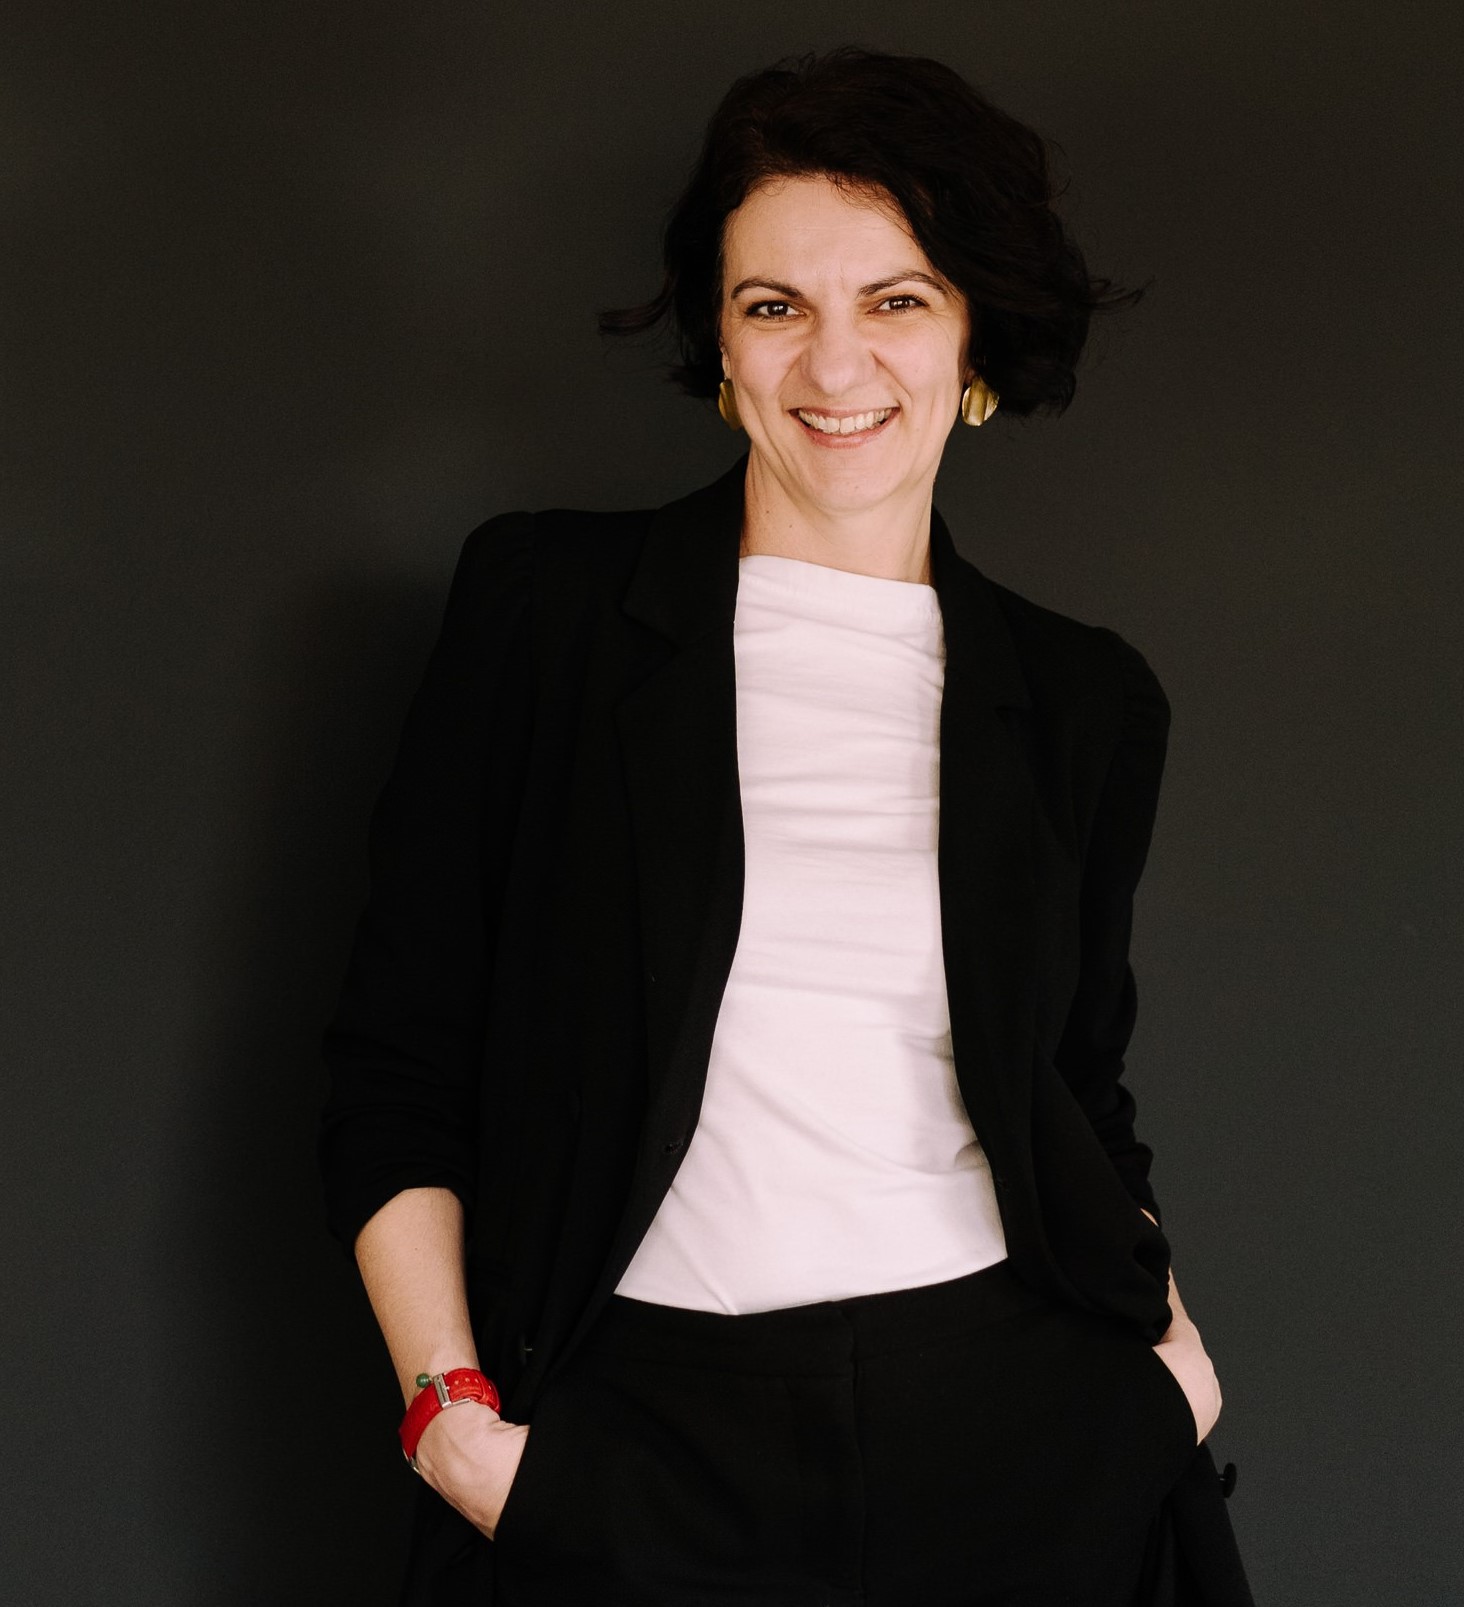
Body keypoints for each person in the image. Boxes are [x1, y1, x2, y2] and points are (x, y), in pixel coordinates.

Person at [319, 45, 1255, 1607]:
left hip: (1014, 1436)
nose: (836, 364)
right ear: (721, 343)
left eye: (896, 299)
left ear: (975, 335)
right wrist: (451, 1421)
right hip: (636, 1439)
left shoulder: (1084, 700)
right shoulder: (547, 615)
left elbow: (1076, 1085)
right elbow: (399, 1065)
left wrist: (1173, 1367)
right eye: (775, 306)